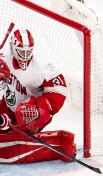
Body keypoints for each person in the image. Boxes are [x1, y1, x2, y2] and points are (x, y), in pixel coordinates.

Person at [0, 28, 76, 163]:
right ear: (12, 48)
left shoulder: (42, 68)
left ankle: (21, 131)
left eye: (28, 52)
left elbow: (60, 89)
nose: (25, 56)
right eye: (21, 52)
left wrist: (43, 108)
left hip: (28, 109)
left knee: (22, 117)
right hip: (9, 102)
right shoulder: (3, 57)